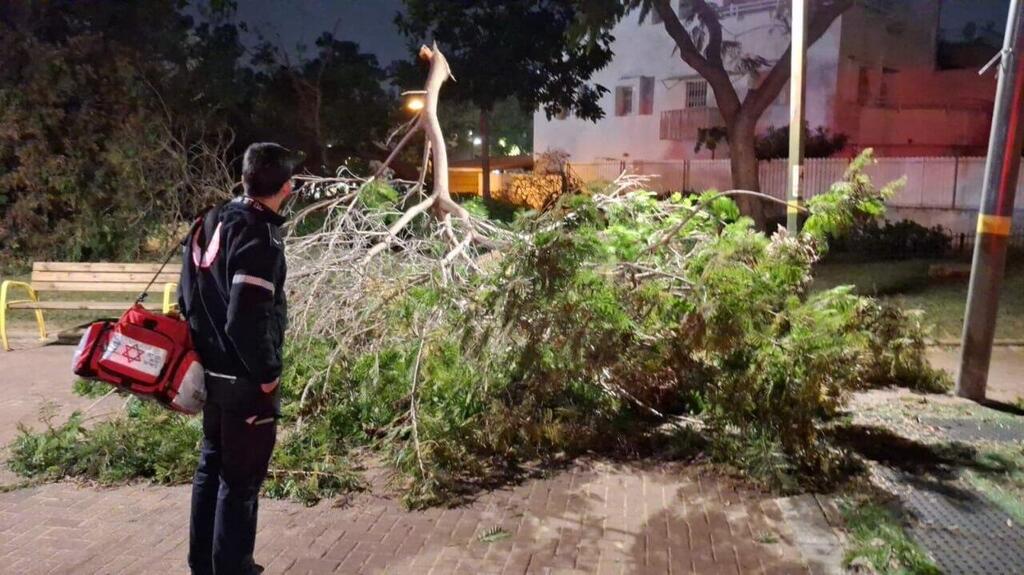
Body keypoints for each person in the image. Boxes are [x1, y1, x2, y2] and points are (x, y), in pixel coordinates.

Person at [179, 143, 303, 575]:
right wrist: (267, 374)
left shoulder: (206, 223)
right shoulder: (258, 233)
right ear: (286, 187)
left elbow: (186, 298)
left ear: (245, 177)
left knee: (210, 467)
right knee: (241, 480)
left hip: (209, 373)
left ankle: (204, 565)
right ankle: (234, 567)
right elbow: (246, 316)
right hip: (245, 380)